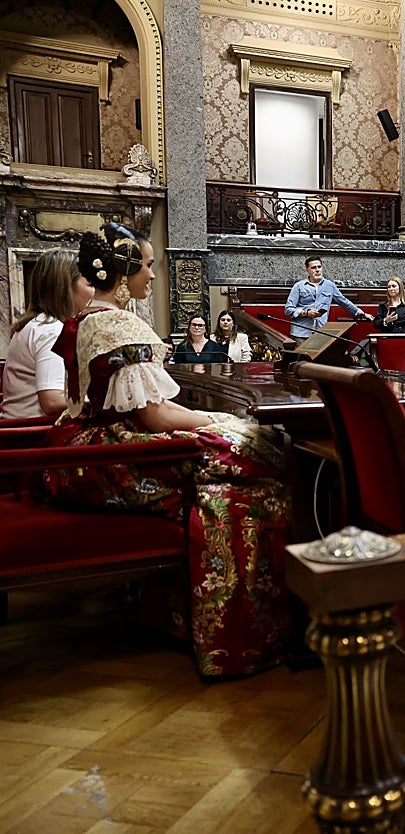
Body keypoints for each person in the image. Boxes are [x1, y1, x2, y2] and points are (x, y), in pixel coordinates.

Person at [43, 223, 290, 678]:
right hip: (115, 460)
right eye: (149, 265)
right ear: (124, 272)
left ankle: (180, 614)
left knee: (240, 450)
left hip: (88, 450)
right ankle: (237, 634)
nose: (154, 275)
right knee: (255, 466)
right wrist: (218, 420)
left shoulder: (87, 319)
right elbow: (156, 418)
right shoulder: (116, 324)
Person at [1, 248, 93, 419]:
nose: (95, 293)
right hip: (35, 435)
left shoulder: (40, 323)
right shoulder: (51, 330)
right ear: (66, 288)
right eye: (90, 284)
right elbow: (52, 401)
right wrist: (103, 402)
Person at [284, 255, 367, 340]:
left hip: (321, 333)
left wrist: (362, 313)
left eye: (319, 267)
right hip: (301, 333)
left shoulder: (329, 285)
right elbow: (288, 310)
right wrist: (306, 313)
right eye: (313, 268)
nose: (317, 270)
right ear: (307, 270)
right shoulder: (298, 286)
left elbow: (344, 302)